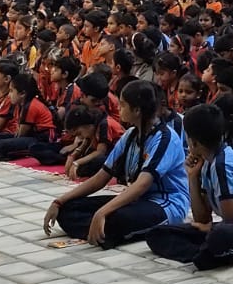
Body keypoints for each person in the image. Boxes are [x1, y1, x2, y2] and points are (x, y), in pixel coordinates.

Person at [44, 79, 190, 248]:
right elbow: (102, 176)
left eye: (122, 105)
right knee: (68, 210)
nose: (119, 109)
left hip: (166, 204)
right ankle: (103, 231)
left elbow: (142, 184)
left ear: (136, 110)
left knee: (117, 219)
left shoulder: (165, 138)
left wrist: (103, 212)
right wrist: (59, 201)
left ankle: (107, 230)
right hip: (138, 200)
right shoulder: (130, 135)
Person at [147, 103, 233, 270]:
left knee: (218, 236)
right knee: (157, 234)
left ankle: (207, 252)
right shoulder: (207, 162)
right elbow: (201, 218)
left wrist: (208, 228)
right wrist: (193, 177)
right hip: (231, 227)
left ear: (194, 142)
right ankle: (205, 252)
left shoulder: (222, 166)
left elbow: (231, 223)